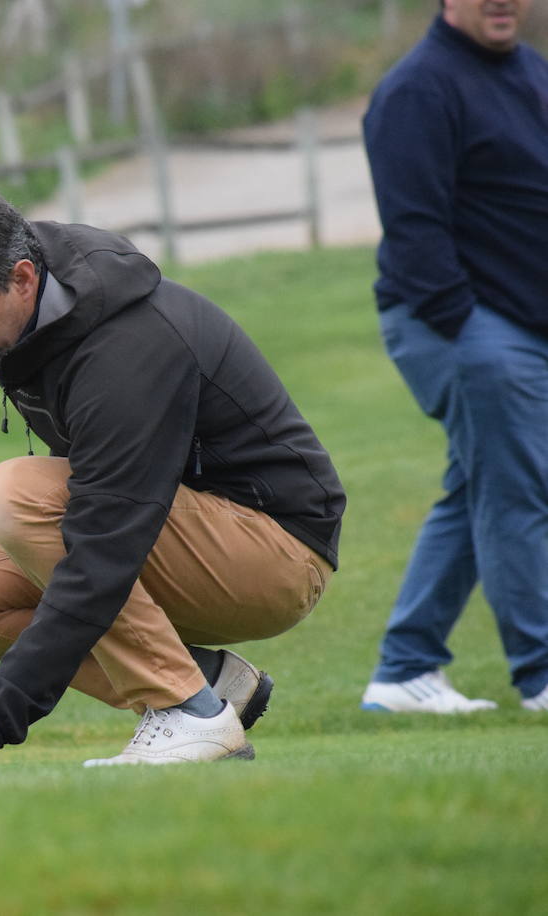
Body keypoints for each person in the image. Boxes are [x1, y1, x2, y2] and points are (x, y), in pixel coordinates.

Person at [0, 187, 345, 771]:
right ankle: (210, 685)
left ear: (23, 279)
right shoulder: (38, 325)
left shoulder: (124, 348)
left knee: (16, 493)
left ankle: (187, 712)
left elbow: (103, 550)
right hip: (175, 537)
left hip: (276, 554)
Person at [358, 0, 548, 714]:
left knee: (484, 486)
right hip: (459, 326)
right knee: (517, 491)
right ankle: (540, 674)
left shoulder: (528, 70)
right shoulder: (419, 89)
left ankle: (405, 669)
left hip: (517, 325)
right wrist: (471, 338)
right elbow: (414, 233)